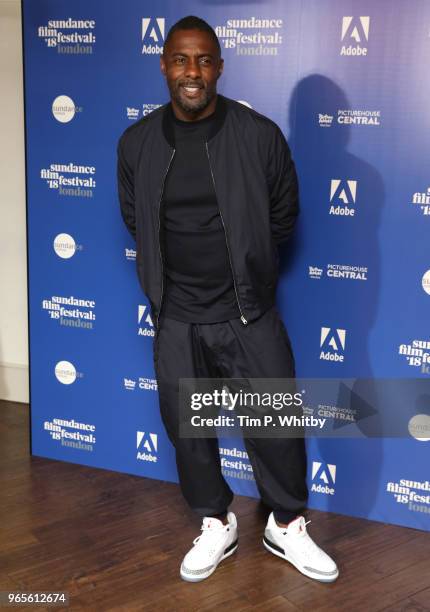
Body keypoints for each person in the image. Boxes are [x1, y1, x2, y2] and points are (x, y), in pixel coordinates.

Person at [117, 15, 338, 583]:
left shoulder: (257, 135)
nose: (193, 72)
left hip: (247, 310)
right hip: (176, 315)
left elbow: (283, 217)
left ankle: (284, 524)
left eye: (204, 60)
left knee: (276, 426)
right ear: (165, 65)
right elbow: (134, 218)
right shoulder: (136, 142)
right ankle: (217, 522)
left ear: (219, 66)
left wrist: (253, 269)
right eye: (182, 60)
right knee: (187, 430)